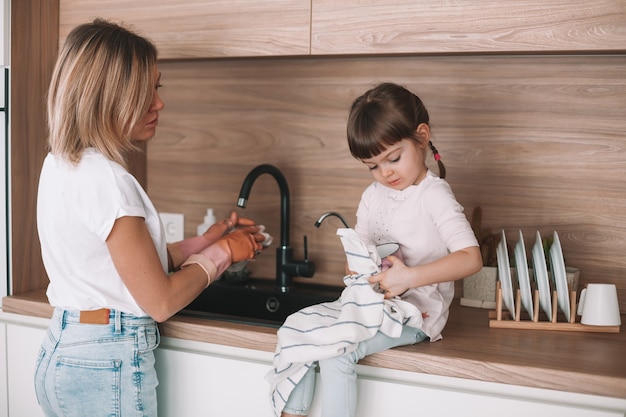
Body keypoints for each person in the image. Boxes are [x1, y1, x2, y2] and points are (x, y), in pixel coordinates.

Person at [34, 19, 269, 417]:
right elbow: (159, 301)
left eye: (157, 88)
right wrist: (224, 254)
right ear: (109, 96)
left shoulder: (60, 165)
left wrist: (203, 242)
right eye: (145, 91)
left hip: (64, 349)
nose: (158, 103)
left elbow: (117, 267)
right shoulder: (109, 181)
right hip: (107, 358)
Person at [277, 82, 482, 417]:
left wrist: (408, 278)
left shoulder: (434, 195)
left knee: (337, 350)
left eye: (394, 158)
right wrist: (357, 267)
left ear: (422, 136)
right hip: (373, 306)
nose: (385, 173)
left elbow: (471, 258)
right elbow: (357, 257)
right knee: (298, 327)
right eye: (372, 165)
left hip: (417, 316)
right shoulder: (373, 195)